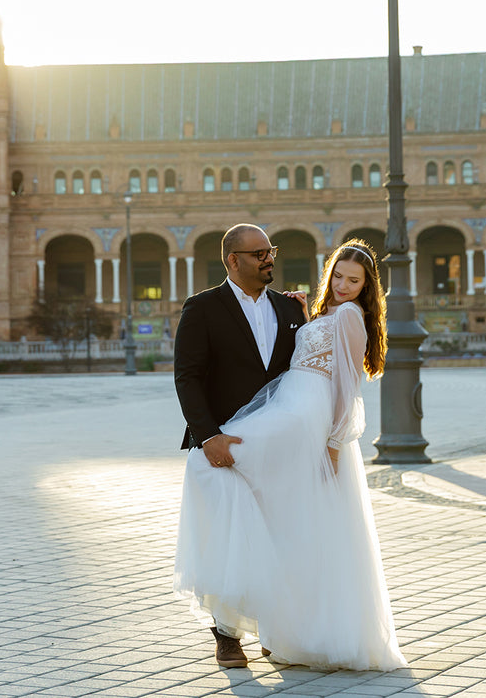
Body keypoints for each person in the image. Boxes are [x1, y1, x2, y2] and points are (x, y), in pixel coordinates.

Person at [173, 238, 407, 671]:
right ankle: (229, 627)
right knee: (219, 476)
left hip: (302, 417)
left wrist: (333, 445)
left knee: (273, 509)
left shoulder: (345, 315)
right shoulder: (291, 310)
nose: (342, 284)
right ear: (233, 259)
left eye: (353, 280)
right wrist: (206, 436)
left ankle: (272, 625)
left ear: (366, 286)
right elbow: (187, 375)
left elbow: (346, 389)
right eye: (337, 275)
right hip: (278, 410)